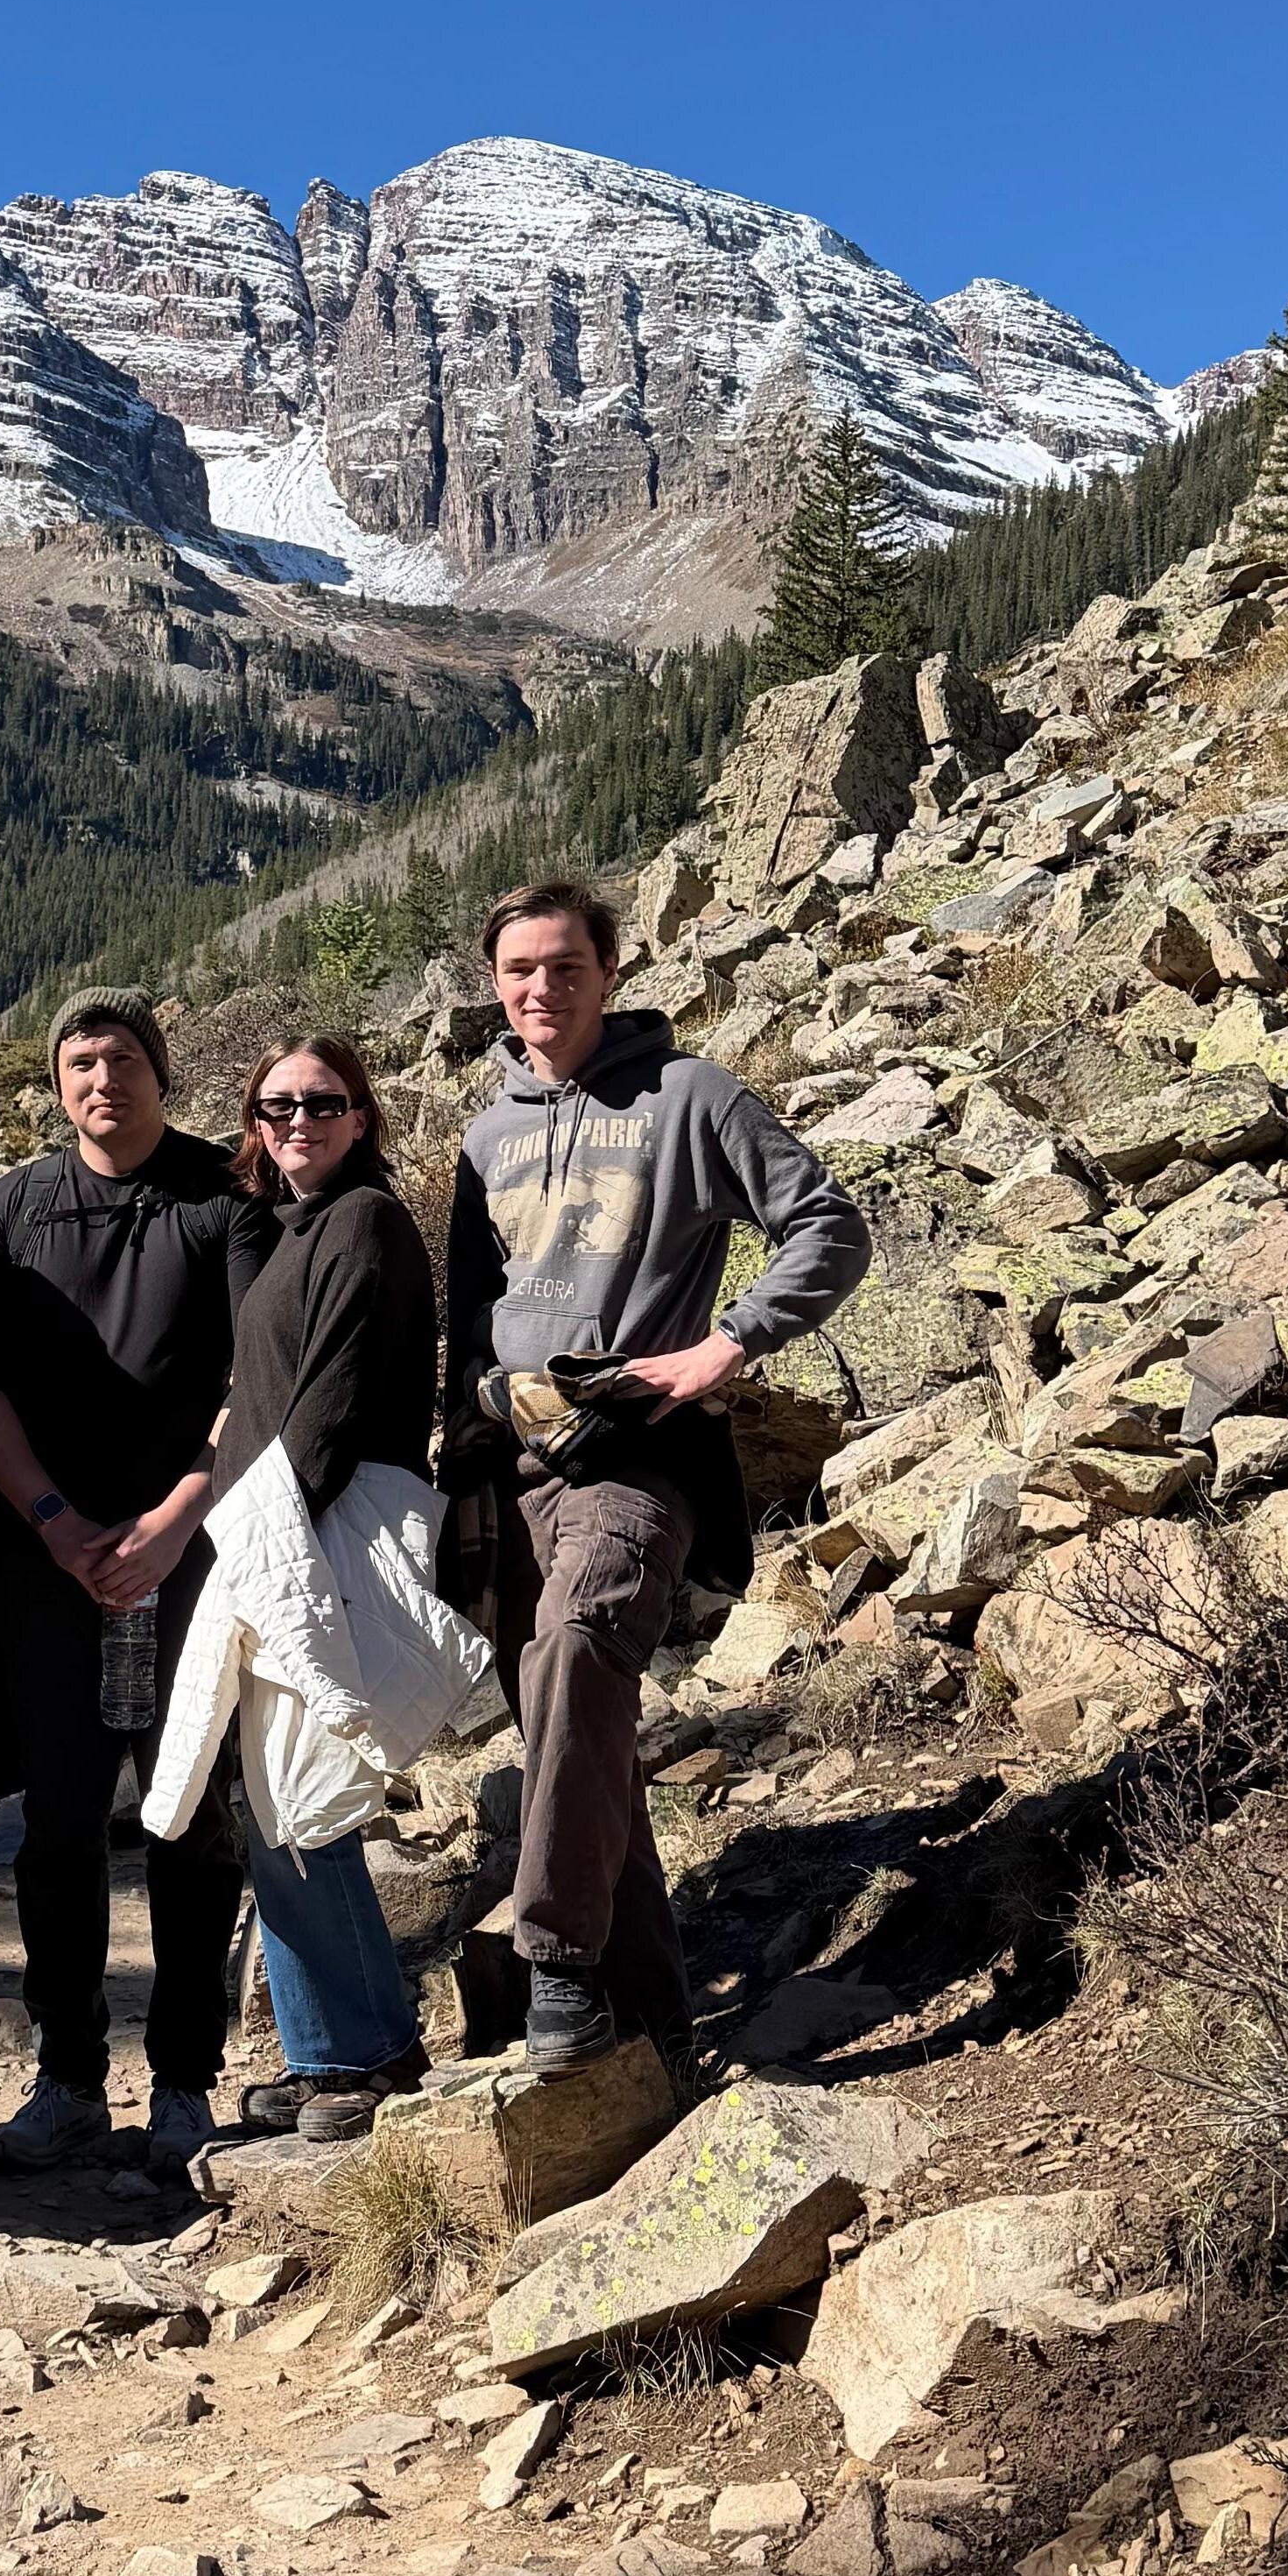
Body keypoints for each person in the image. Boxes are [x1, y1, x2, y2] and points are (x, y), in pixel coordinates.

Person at [441, 877, 870, 2077]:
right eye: (520, 969)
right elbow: (466, 1330)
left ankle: (556, 1963)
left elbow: (829, 1227)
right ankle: (650, 2036)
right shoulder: (487, 1136)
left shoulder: (689, 1097)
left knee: (580, 1649)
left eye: (565, 966)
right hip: (515, 1472)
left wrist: (720, 1347)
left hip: (642, 1454)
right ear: (495, 984)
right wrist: (483, 1398)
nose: (541, 988)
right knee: (575, 1734)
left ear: (609, 974)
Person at [0, 992, 245, 2173]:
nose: (100, 1080)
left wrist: (175, 1520)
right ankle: (67, 2075)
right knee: (60, 1822)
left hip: (193, 1555)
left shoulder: (226, 1197)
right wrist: (57, 1522)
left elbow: (260, 1382)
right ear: (57, 1082)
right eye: (79, 1062)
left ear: (160, 1073)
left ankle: (184, 2081)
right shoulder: (12, 1210)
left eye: (122, 1059)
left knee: (190, 1815)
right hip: (50, 1566)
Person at [163, 1034, 454, 2142]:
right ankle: (325, 2043)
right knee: (271, 1795)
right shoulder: (293, 1229)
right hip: (281, 1526)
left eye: (322, 1103)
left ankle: (364, 2050)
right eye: (275, 1104)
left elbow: (328, 1407)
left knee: (302, 1795)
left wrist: (261, 1543)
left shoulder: (365, 1221)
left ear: (362, 1116)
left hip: (316, 1529)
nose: (297, 1120)